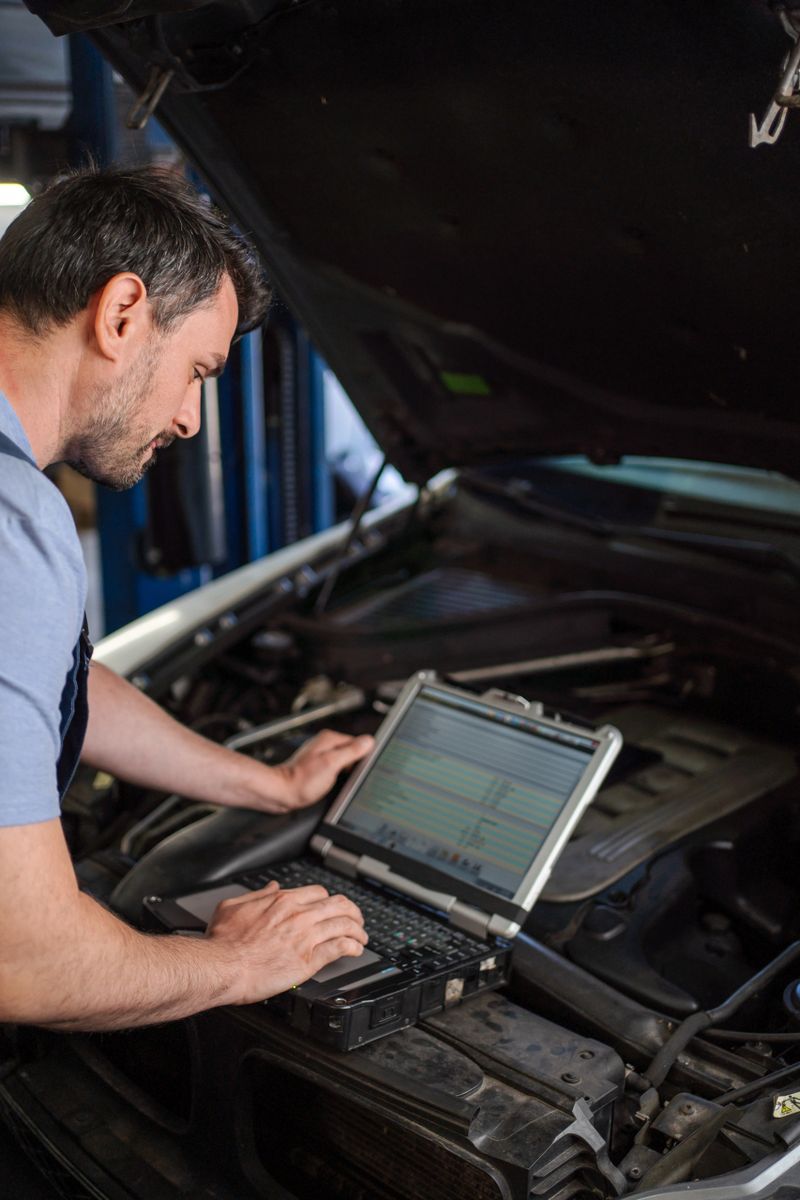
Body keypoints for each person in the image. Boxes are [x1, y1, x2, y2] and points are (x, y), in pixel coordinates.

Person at [0, 165, 372, 1030]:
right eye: (199, 369)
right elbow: (26, 960)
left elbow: (52, 679)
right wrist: (238, 962)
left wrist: (271, 786)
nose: (191, 420)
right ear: (122, 314)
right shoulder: (15, 524)